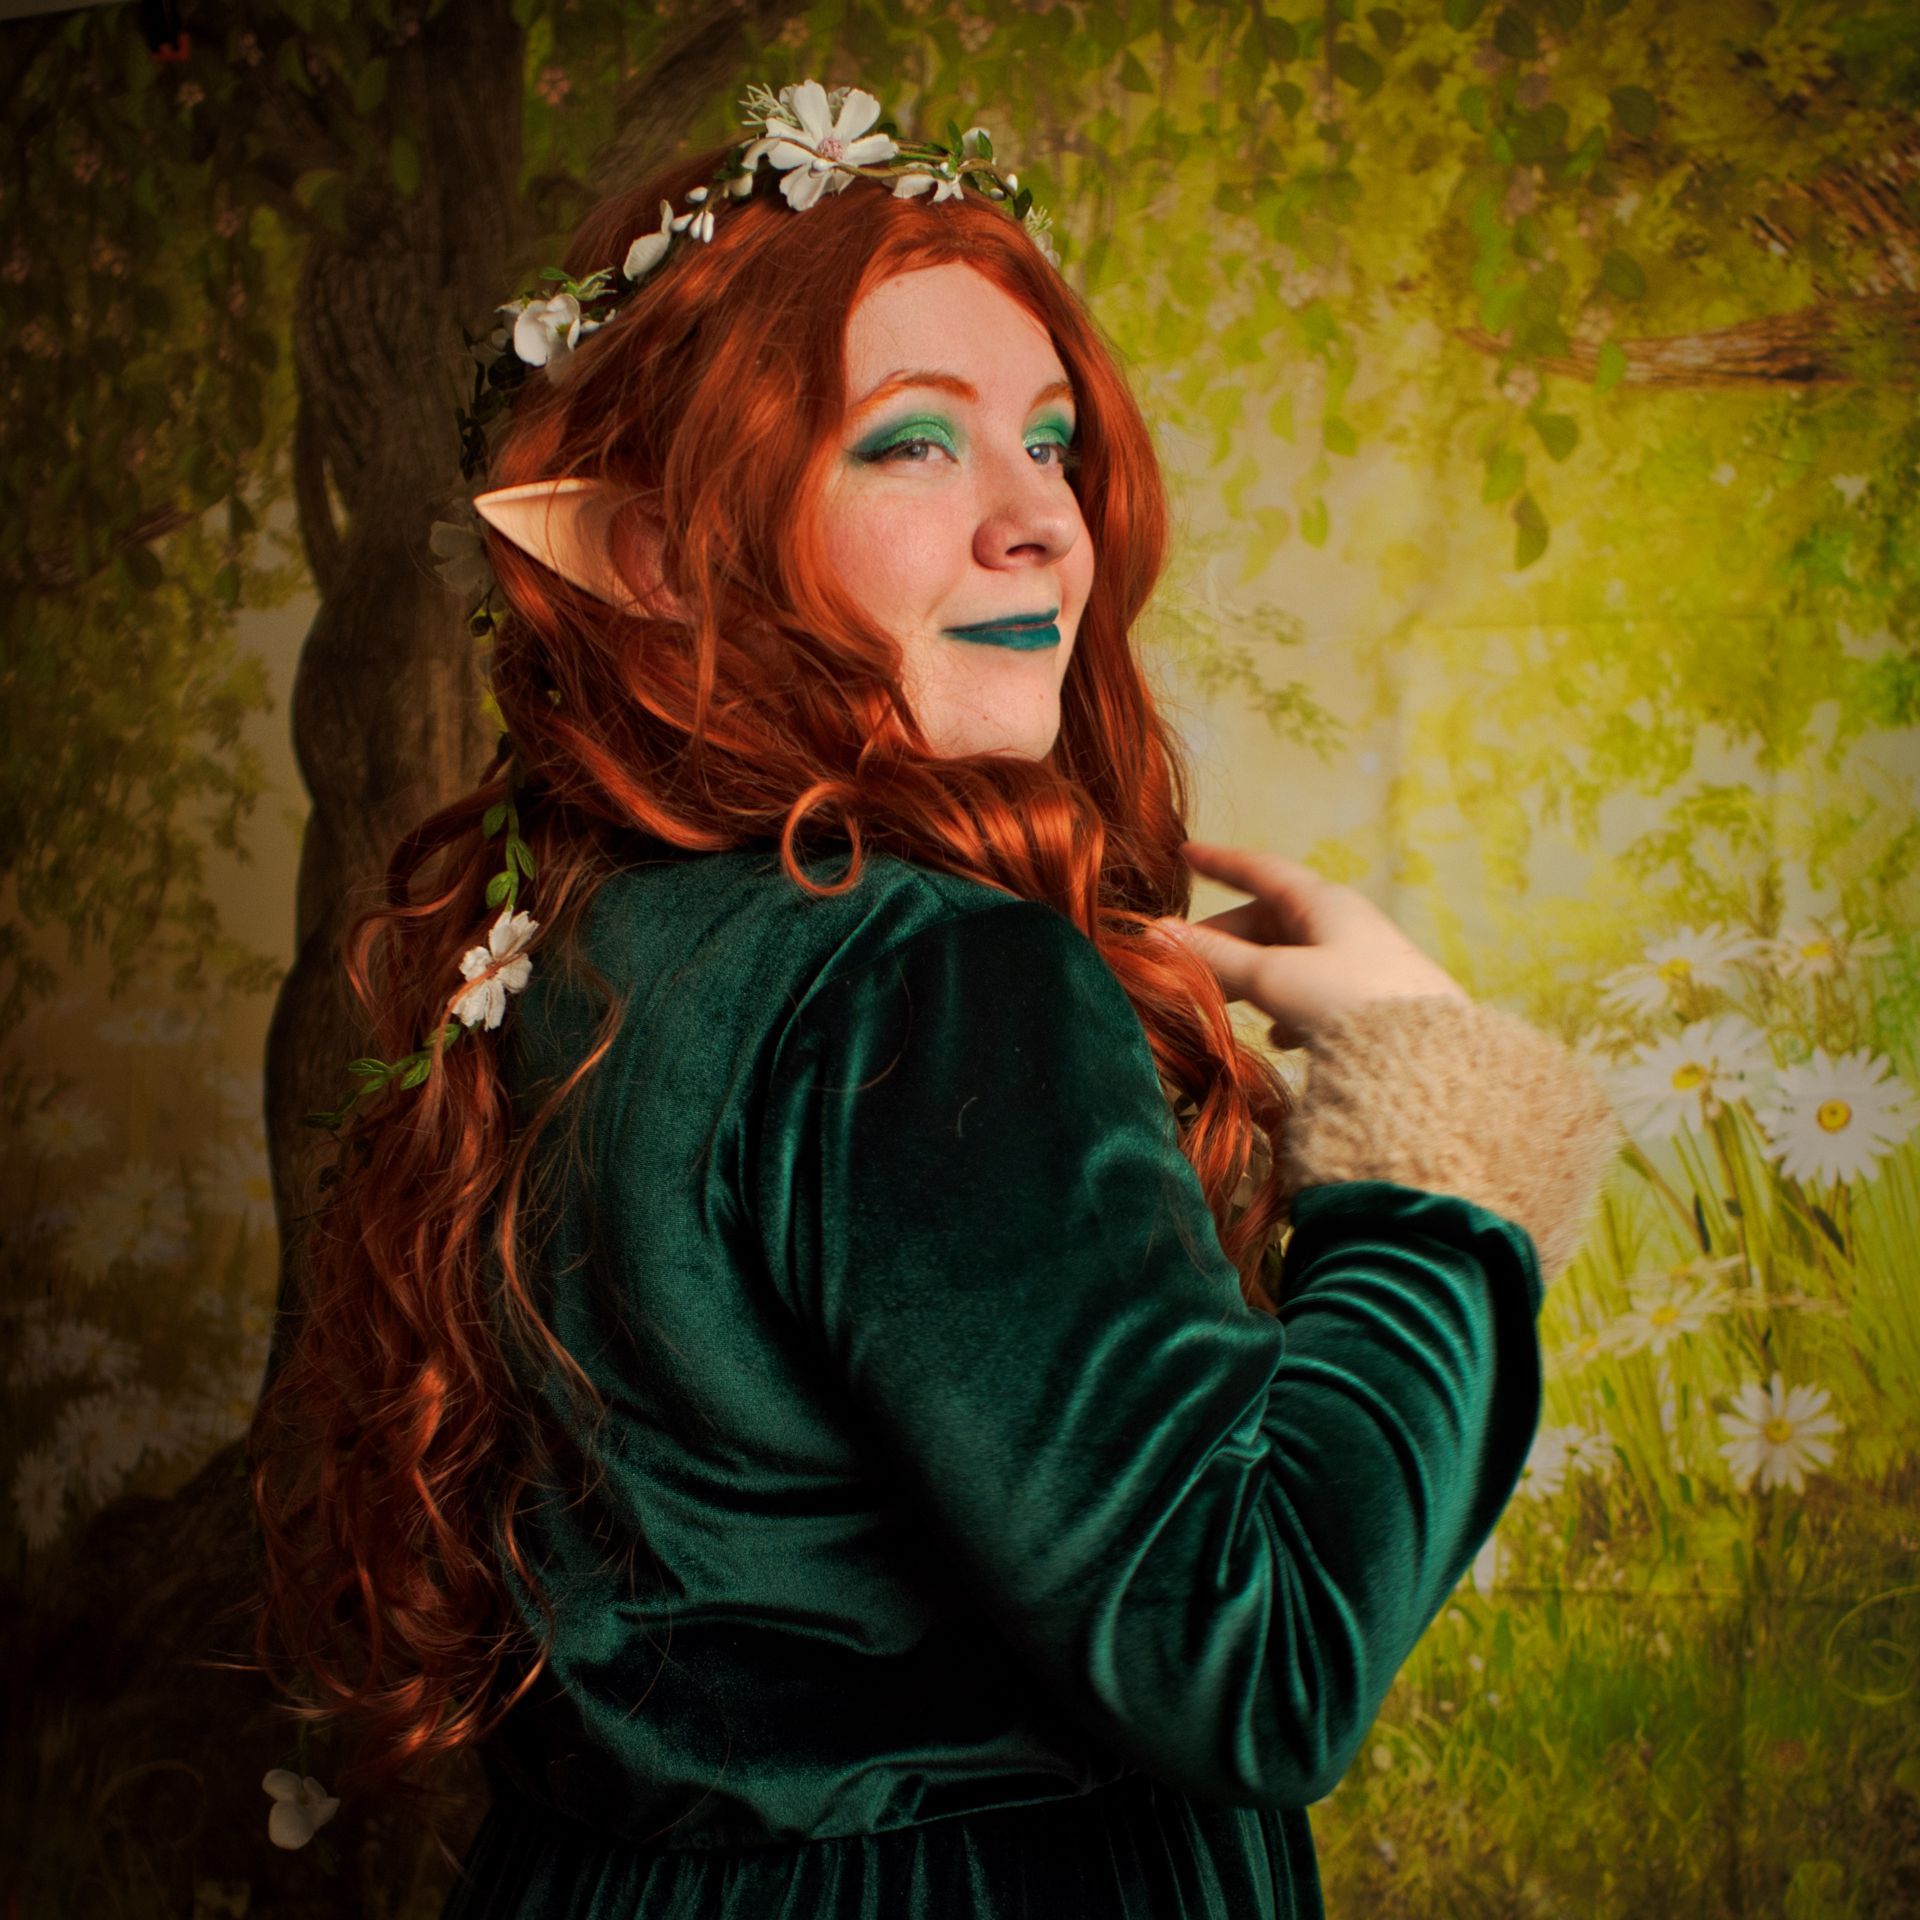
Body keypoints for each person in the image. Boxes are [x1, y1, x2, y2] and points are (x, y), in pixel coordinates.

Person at [247, 80, 1621, 1919]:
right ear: (656, 554)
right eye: (911, 442)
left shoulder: (566, 937)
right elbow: (1260, 1654)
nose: (1041, 520)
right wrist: (1440, 1158)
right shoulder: (926, 973)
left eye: (1051, 441)